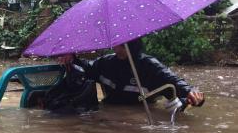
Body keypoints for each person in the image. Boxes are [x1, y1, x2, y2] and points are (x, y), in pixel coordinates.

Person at [59, 38, 204, 110]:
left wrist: (191, 92)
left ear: (132, 46)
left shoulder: (149, 66)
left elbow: (174, 82)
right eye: (116, 44)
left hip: (141, 112)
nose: (116, 48)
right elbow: (88, 68)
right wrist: (73, 58)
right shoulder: (107, 63)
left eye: (121, 45)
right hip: (110, 112)